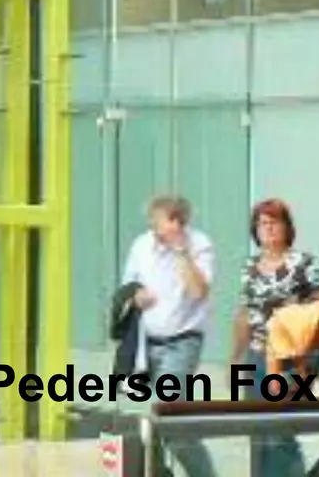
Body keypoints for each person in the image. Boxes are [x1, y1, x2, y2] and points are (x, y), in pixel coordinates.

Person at [121, 195, 216, 477]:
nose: (155, 229)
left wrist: (180, 252)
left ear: (178, 222)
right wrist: (136, 296)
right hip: (144, 343)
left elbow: (199, 291)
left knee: (173, 420)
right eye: (154, 222)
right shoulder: (142, 245)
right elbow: (127, 286)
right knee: (149, 425)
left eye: (160, 222)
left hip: (181, 342)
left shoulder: (200, 245)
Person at [235, 199, 319, 477]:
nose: (267, 228)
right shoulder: (250, 266)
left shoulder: (303, 263)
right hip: (256, 357)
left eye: (273, 222)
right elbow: (245, 313)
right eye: (262, 223)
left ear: (287, 227)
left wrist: (310, 367)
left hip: (291, 360)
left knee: (281, 436)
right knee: (257, 435)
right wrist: (235, 359)